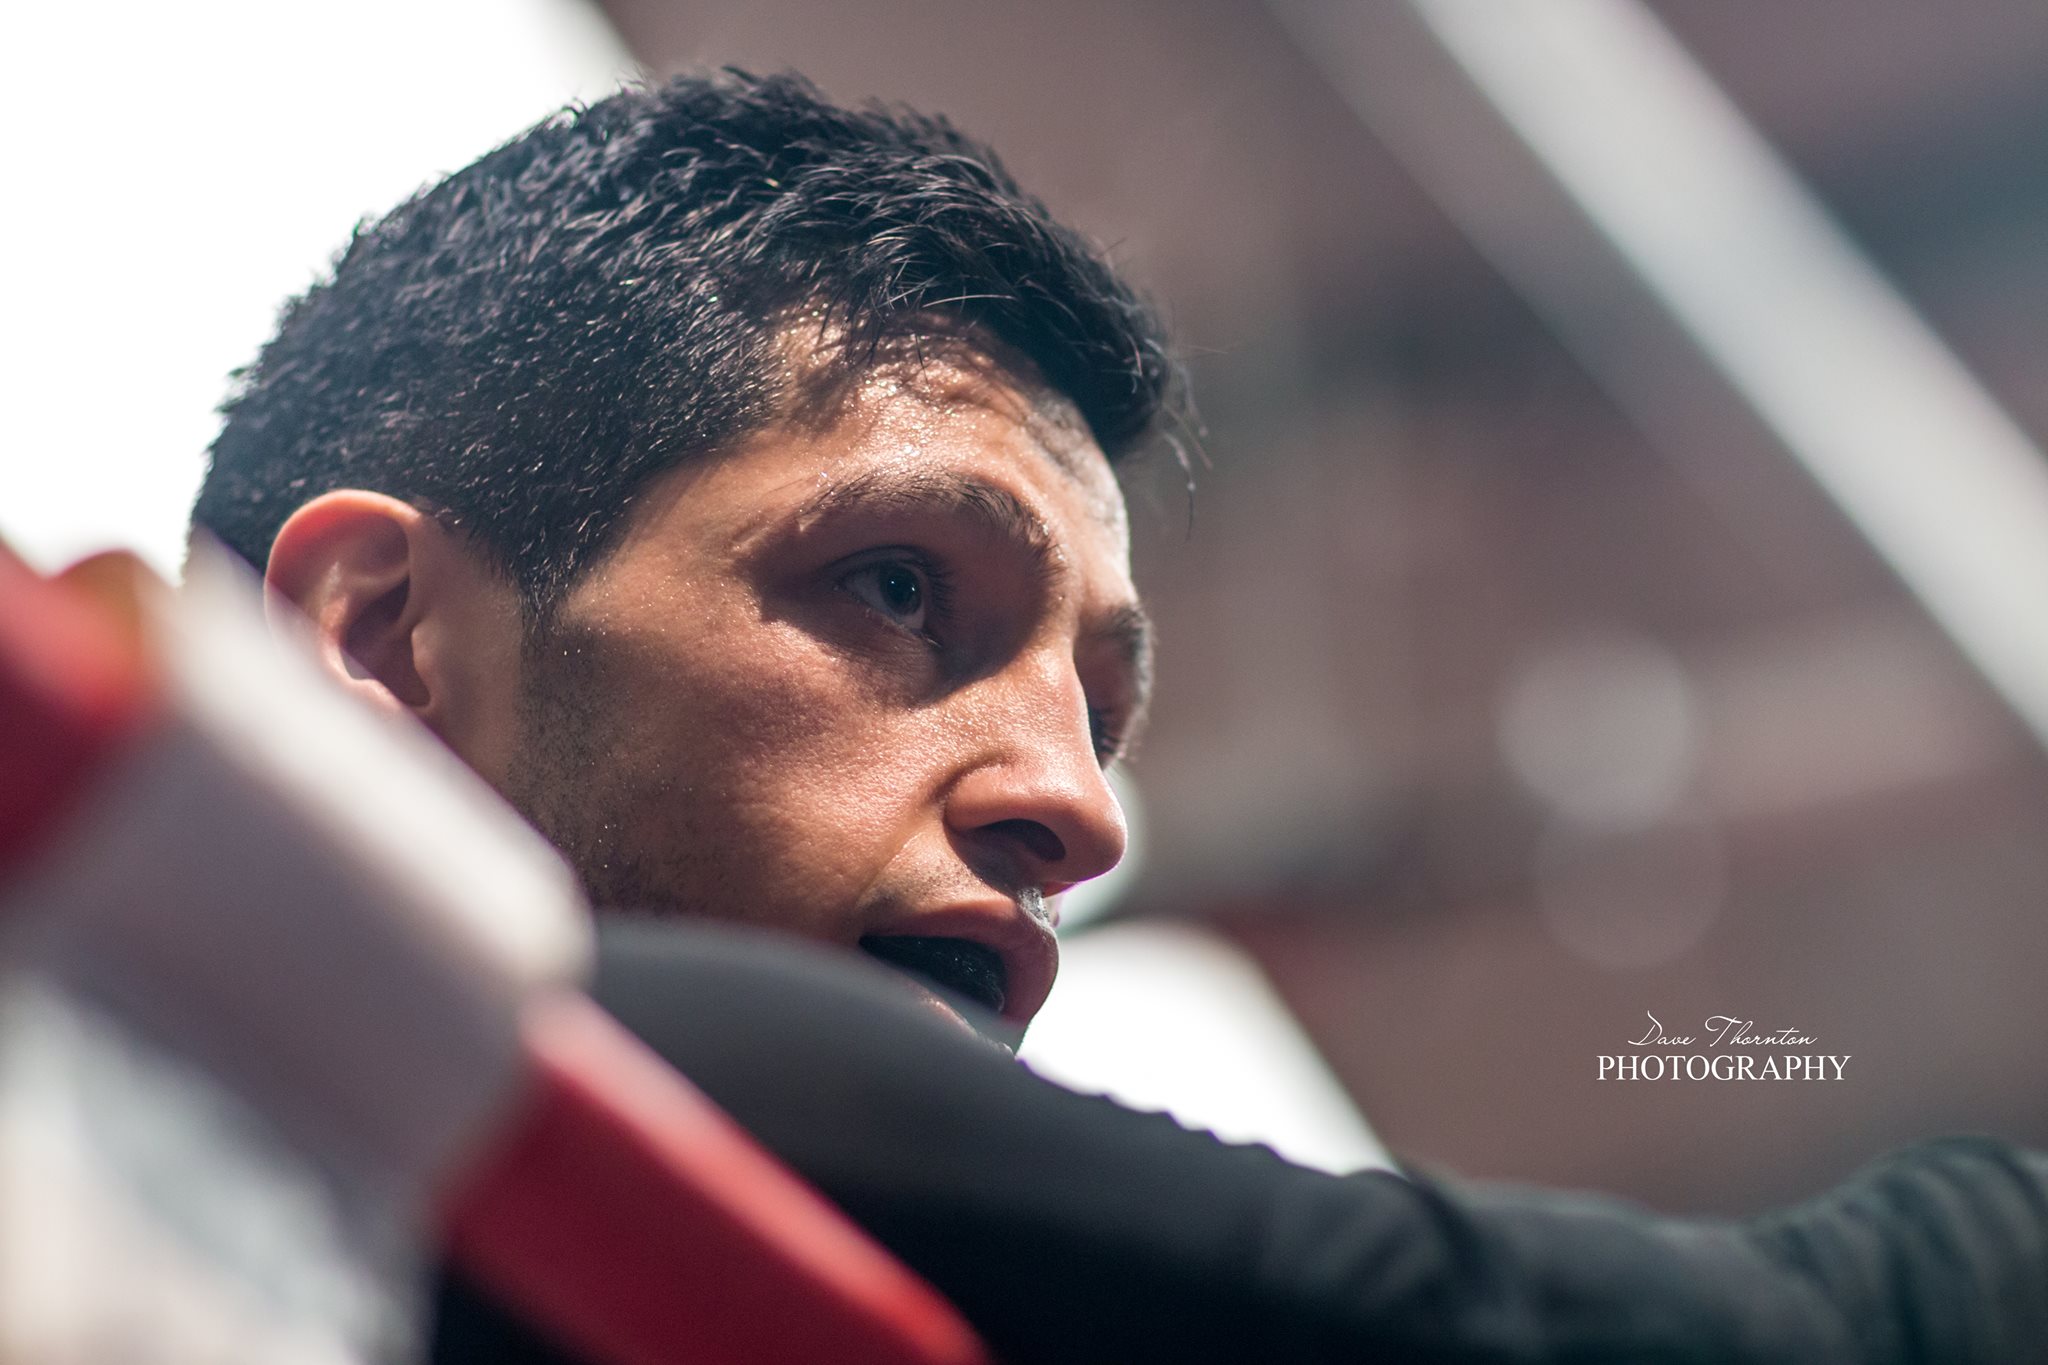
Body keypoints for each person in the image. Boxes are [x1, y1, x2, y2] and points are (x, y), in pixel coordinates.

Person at [191, 72, 2048, 1363]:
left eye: (1100, 706)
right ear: (384, 632)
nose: (1078, 809)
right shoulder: (144, 1040)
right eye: (895, 588)